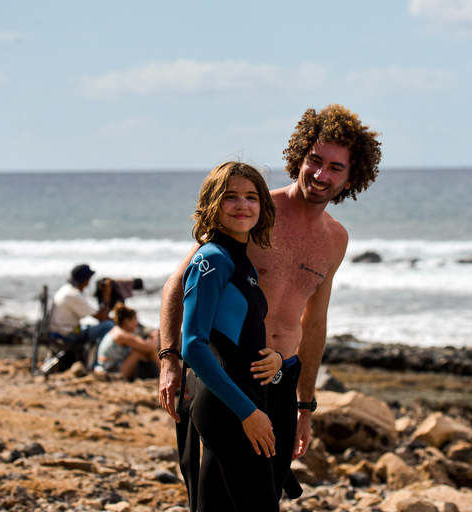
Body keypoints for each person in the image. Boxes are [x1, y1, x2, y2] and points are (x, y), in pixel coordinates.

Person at [159, 104, 382, 501]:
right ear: (299, 158)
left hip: (282, 380)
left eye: (335, 168)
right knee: (214, 498)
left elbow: (315, 322)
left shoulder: (336, 239)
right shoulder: (256, 210)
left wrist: (305, 405)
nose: (320, 174)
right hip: (227, 374)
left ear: (351, 179)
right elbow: (179, 283)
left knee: (263, 497)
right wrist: (169, 358)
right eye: (315, 160)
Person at [176, 161, 280, 511]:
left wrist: (275, 361)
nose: (242, 205)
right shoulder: (212, 259)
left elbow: (241, 336)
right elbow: (192, 344)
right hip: (228, 409)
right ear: (212, 204)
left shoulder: (241, 261)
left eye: (251, 197)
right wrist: (247, 412)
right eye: (230, 196)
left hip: (237, 404)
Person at [48, 264, 115, 366]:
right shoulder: (73, 295)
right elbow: (103, 318)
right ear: (85, 280)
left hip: (61, 330)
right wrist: (106, 294)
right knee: (108, 326)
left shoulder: (66, 290)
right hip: (68, 334)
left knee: (102, 325)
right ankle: (98, 365)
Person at [94, 303, 160, 381]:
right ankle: (164, 373)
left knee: (142, 350)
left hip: (107, 368)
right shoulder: (122, 335)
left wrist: (150, 341)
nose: (136, 323)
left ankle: (162, 373)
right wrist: (156, 337)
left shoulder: (117, 331)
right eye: (134, 320)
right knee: (140, 352)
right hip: (112, 372)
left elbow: (144, 345)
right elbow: (149, 347)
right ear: (126, 321)